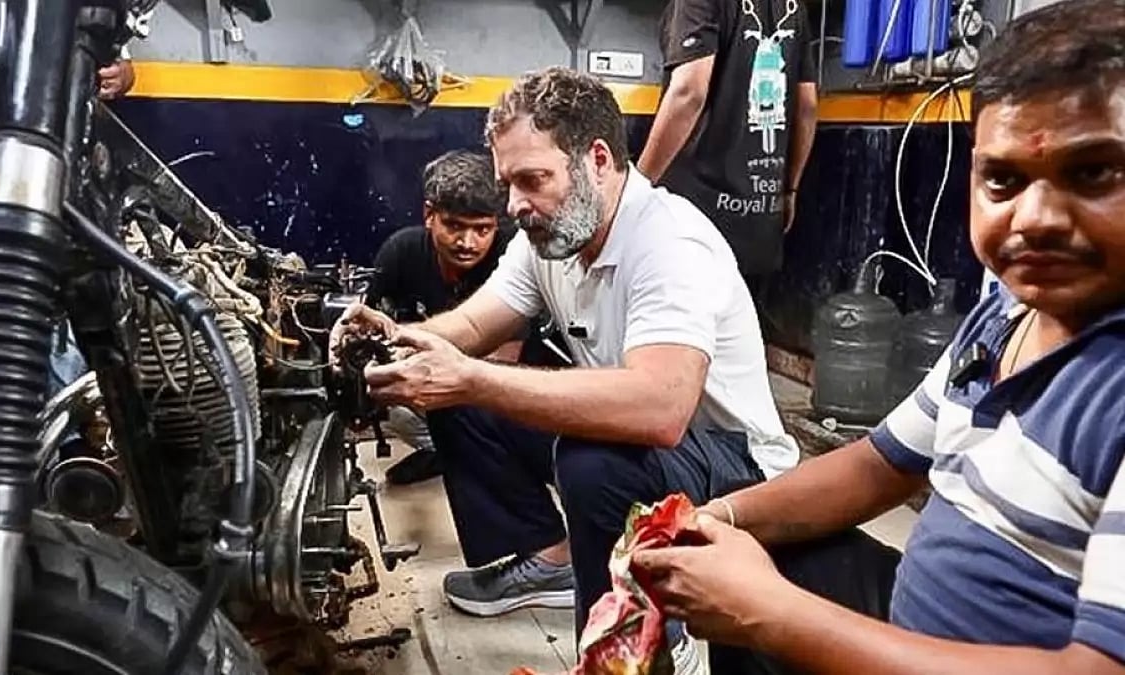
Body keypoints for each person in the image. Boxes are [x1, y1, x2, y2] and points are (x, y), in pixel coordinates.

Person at [631, 2, 1125, 674]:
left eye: (1094, 173)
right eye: (1003, 179)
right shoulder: (1003, 316)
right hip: (915, 625)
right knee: (730, 550)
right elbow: (879, 464)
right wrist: (719, 515)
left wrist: (770, 612)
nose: (1033, 218)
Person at [334, 66, 799, 673]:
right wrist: (399, 336)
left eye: (532, 180)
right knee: (463, 397)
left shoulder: (669, 241)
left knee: (591, 462)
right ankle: (547, 559)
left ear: (597, 160)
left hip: (738, 466)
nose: (514, 207)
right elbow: (474, 326)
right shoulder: (547, 238)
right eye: (509, 184)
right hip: (653, 443)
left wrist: (471, 377)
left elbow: (660, 409)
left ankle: (632, 648)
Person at [364, 149, 523, 485]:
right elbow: (371, 331)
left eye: (482, 229)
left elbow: (508, 363)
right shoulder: (401, 252)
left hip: (501, 393)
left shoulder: (513, 257)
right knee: (395, 408)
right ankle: (441, 452)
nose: (467, 242)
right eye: (454, 226)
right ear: (429, 215)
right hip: (442, 385)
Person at [638, 0, 819, 286]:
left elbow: (688, 92)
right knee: (738, 326)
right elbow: (807, 106)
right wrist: (789, 189)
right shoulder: (794, 7)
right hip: (759, 218)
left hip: (694, 225)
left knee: (678, 325)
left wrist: (637, 187)